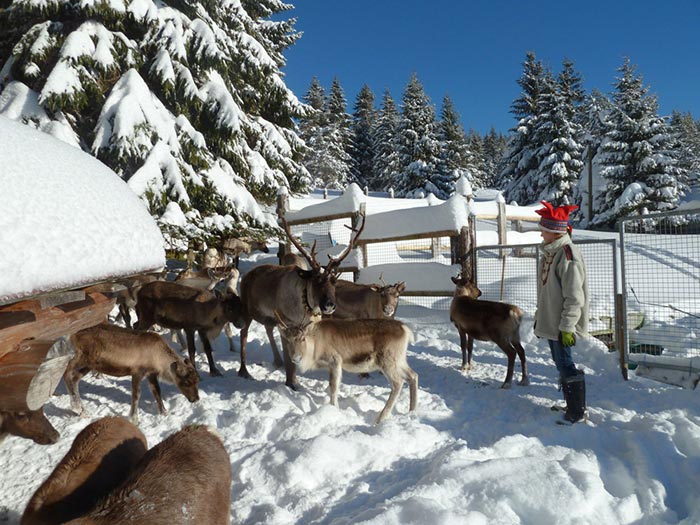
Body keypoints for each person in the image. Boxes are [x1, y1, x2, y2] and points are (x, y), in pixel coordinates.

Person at [534, 201, 589, 423]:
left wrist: (567, 326)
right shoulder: (551, 253)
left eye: (544, 232)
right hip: (552, 321)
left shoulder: (567, 255)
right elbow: (547, 293)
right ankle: (571, 405)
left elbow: (575, 296)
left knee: (566, 363)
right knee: (560, 363)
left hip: (562, 324)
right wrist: (541, 319)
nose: (541, 236)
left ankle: (577, 412)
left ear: (555, 233)